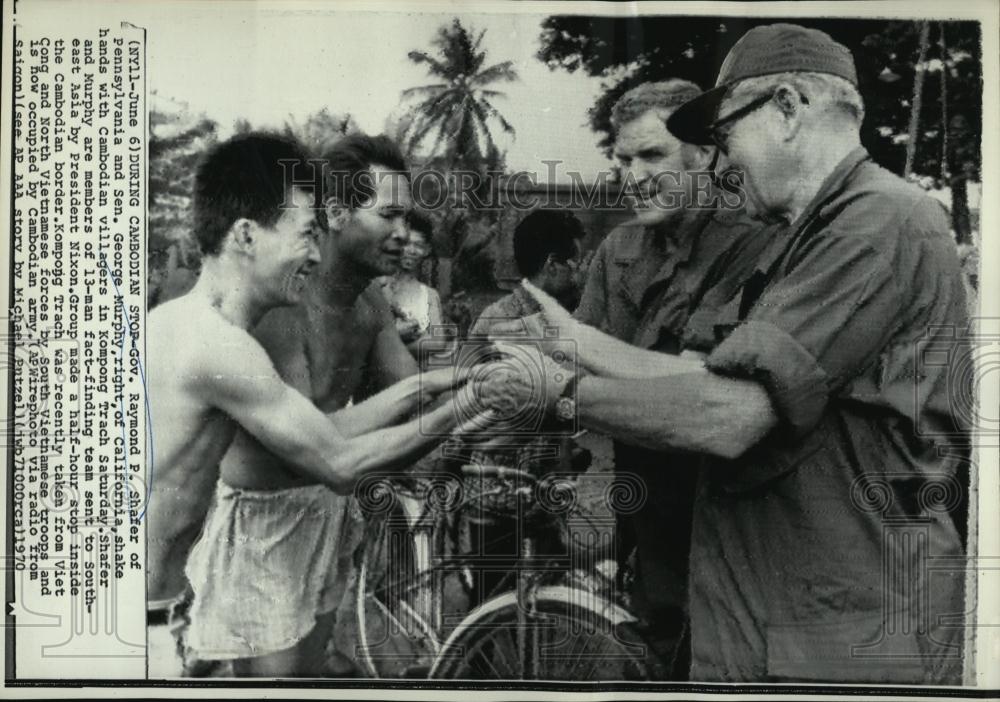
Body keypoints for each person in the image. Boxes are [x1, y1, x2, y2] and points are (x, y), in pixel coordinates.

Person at [486, 24, 969, 684]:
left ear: (789, 108)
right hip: (788, 617)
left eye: (723, 137)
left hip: (846, 631)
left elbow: (728, 414)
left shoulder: (879, 222)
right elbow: (700, 373)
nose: (719, 164)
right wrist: (572, 341)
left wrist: (560, 394)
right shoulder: (805, 236)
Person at [146, 132, 483, 678]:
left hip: (173, 597)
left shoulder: (200, 325)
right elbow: (332, 460)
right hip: (161, 598)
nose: (314, 251)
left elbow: (326, 432)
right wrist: (466, 404)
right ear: (247, 235)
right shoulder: (226, 340)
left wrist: (449, 384)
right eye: (306, 234)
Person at [569, 79, 773, 677]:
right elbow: (574, 356)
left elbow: (694, 389)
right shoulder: (619, 249)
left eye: (652, 155)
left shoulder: (755, 244)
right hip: (645, 514)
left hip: (728, 519)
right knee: (651, 660)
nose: (633, 175)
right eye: (623, 159)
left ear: (704, 154)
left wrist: (568, 380)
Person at [378, 210, 449, 363]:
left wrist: (390, 345)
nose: (411, 250)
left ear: (427, 250)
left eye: (418, 245)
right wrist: (399, 335)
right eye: (406, 243)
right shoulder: (379, 283)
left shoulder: (429, 294)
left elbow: (438, 341)